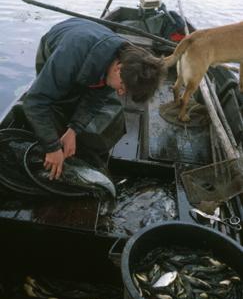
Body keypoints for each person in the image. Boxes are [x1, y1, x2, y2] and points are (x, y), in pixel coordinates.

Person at [23, 17, 163, 180]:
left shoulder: (125, 60)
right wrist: (52, 147)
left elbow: (95, 98)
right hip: (60, 45)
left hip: (90, 46)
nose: (120, 92)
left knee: (103, 105)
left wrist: (73, 130)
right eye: (123, 87)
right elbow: (35, 102)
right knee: (56, 104)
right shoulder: (68, 57)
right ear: (118, 68)